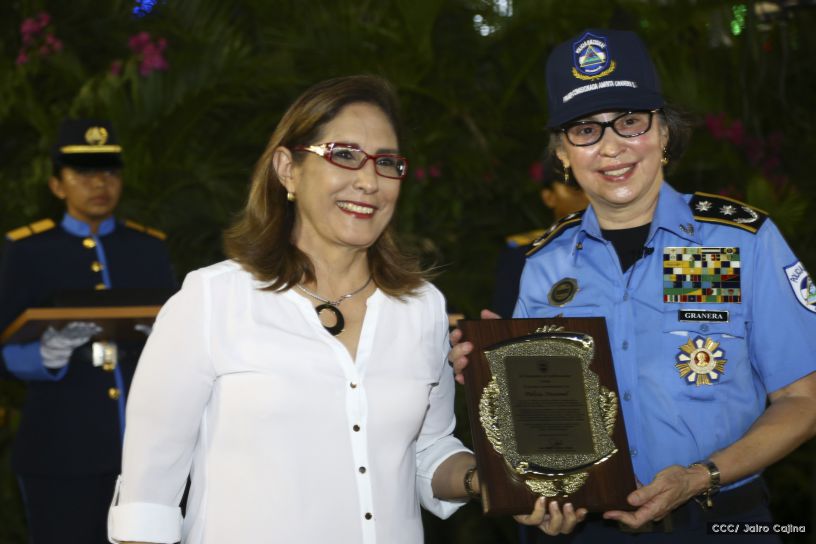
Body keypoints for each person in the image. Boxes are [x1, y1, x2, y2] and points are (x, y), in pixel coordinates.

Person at [107, 75, 576, 544]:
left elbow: (426, 452)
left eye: (387, 163)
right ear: (288, 169)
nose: (369, 181)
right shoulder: (211, 300)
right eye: (344, 155)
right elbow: (147, 501)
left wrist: (494, 481)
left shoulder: (421, 307)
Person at [451, 28, 816, 542]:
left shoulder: (740, 242)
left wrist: (700, 476)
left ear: (664, 132)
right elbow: (540, 420)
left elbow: (804, 398)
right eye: (585, 130)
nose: (611, 148)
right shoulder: (542, 265)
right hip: (587, 529)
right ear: (562, 154)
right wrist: (491, 377)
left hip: (722, 519)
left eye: (629, 122)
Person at [0, 119, 177, 544]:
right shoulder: (27, 250)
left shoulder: (148, 248)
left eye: (110, 172)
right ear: (57, 185)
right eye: (83, 173)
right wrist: (44, 357)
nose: (100, 183)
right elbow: (4, 343)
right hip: (59, 448)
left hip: (143, 450)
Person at [492, 157, 588, 318]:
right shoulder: (526, 252)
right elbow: (508, 319)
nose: (588, 197)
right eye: (575, 189)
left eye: (591, 188)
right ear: (549, 197)